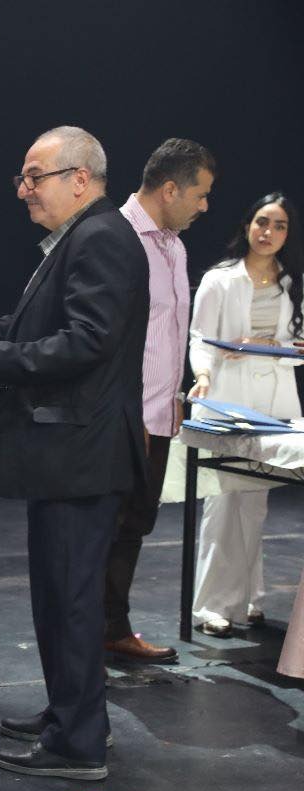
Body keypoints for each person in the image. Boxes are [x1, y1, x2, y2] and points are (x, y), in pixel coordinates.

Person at [0, 126, 148, 781]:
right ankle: (71, 714)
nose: (23, 190)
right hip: (68, 454)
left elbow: (85, 342)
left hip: (80, 455)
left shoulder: (101, 238)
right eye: (22, 177)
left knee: (70, 598)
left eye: (33, 177)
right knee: (60, 596)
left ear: (79, 179)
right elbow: (35, 327)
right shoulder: (83, 237)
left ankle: (77, 742)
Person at [104, 139, 216, 664]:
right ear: (170, 189)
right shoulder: (115, 237)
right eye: (200, 193)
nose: (205, 206)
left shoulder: (174, 246)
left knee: (134, 527)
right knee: (103, 530)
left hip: (159, 416)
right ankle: (84, 637)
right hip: (121, 419)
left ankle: (113, 628)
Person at [187, 192, 304, 637]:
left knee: (254, 504)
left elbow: (297, 343)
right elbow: (200, 336)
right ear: (247, 225)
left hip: (275, 399)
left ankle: (250, 597)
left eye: (279, 226)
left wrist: (277, 348)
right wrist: (202, 374)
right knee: (223, 501)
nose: (268, 232)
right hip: (229, 394)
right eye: (262, 222)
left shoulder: (293, 282)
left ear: (288, 234)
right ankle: (211, 606)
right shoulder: (220, 279)